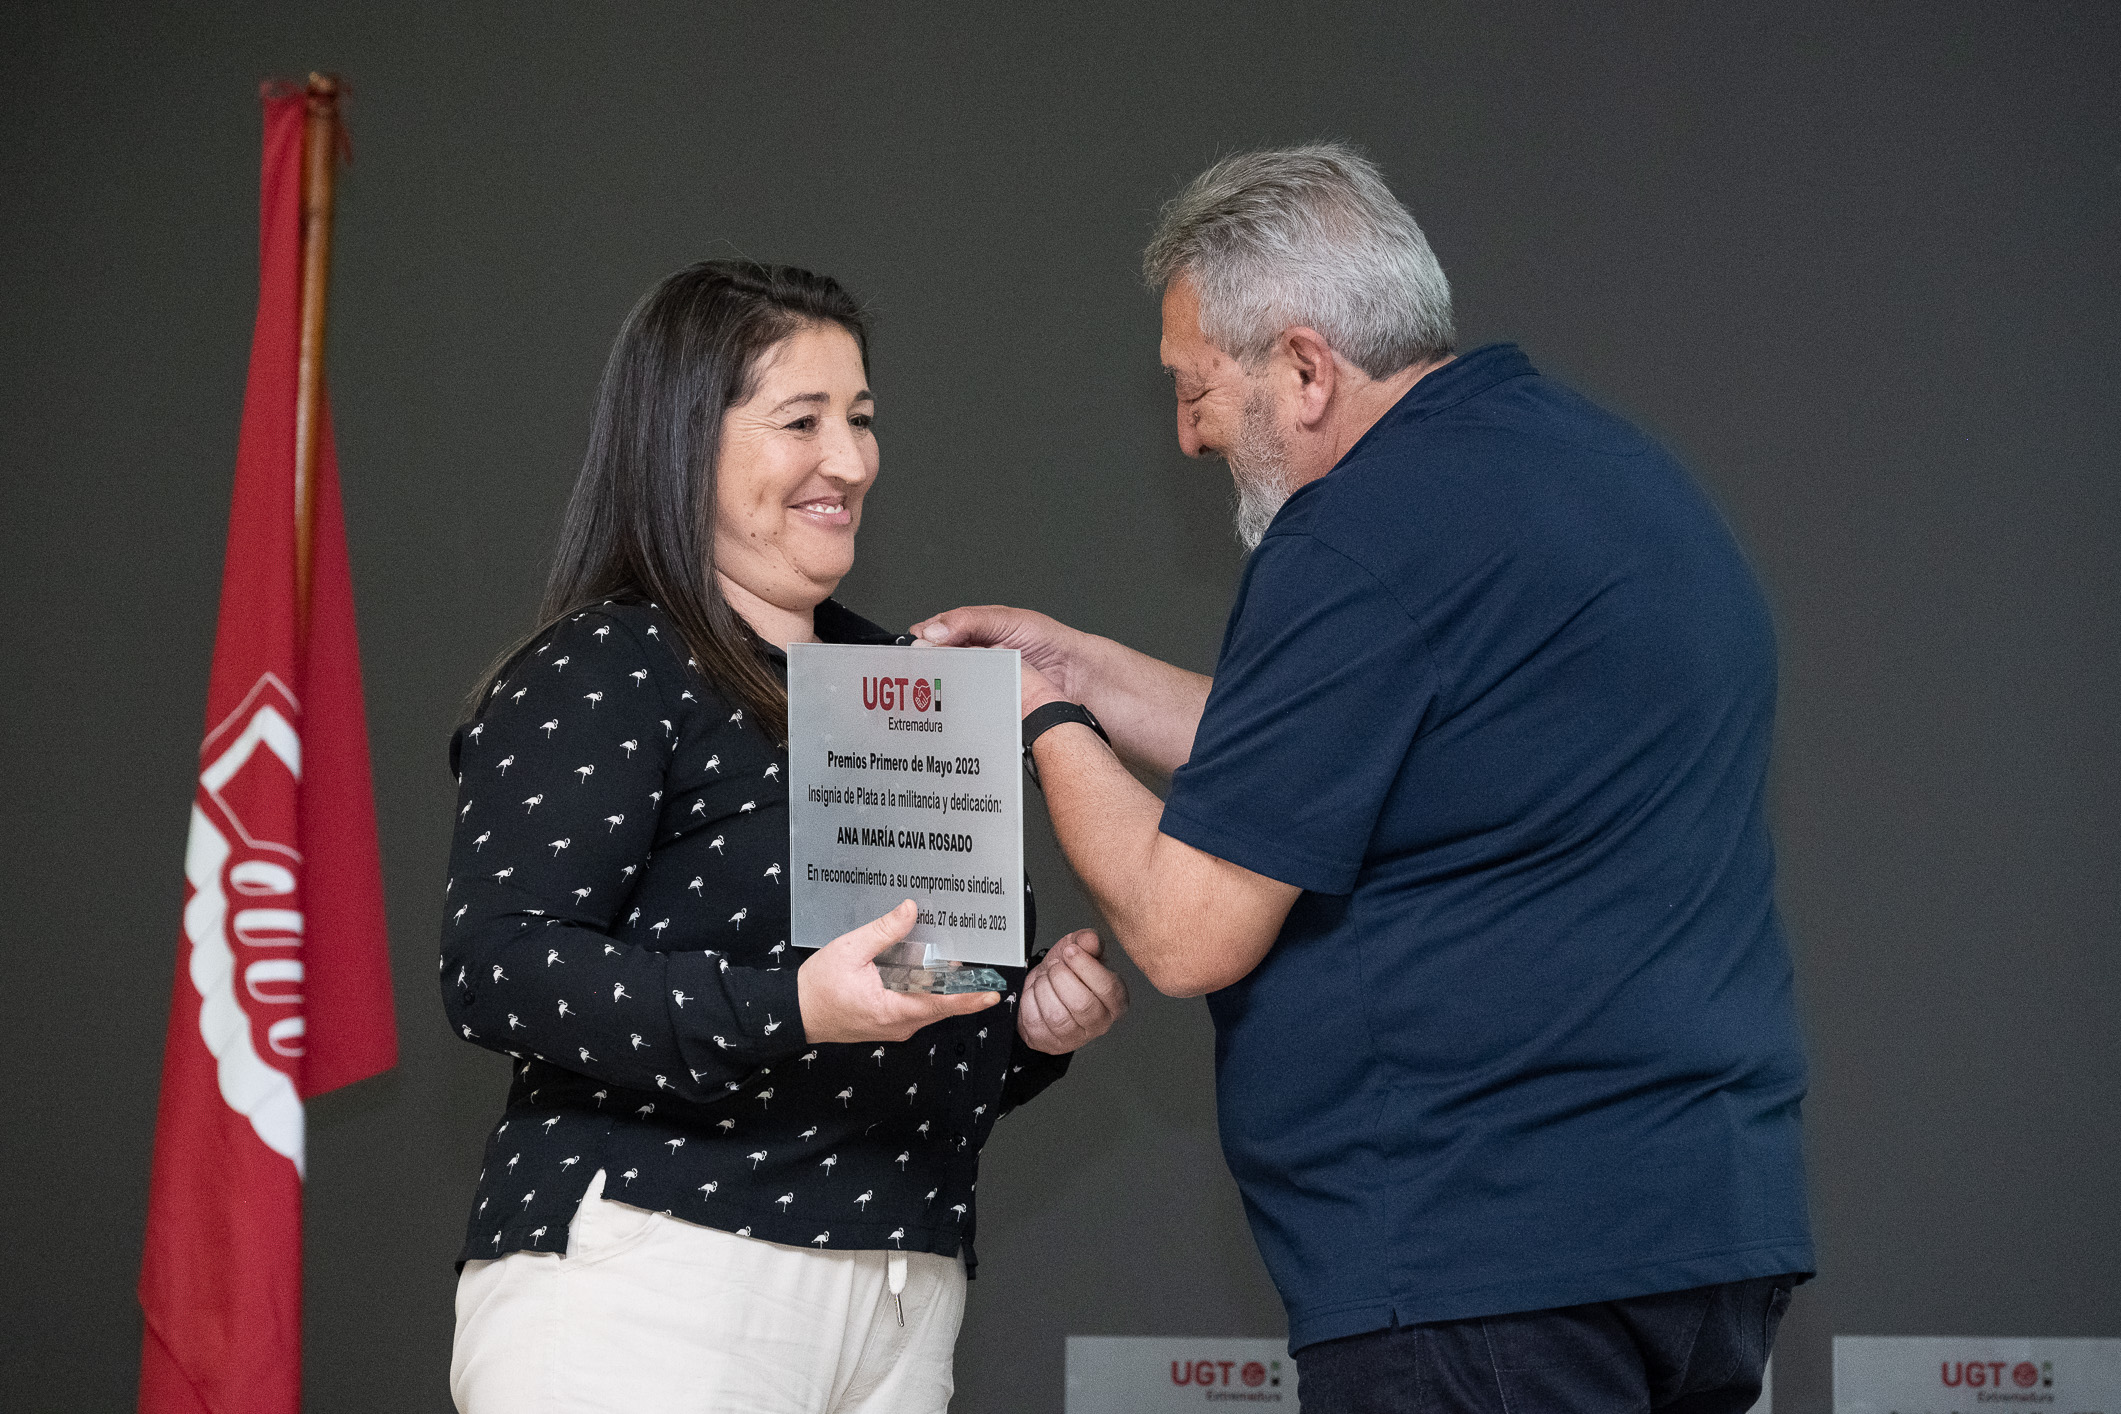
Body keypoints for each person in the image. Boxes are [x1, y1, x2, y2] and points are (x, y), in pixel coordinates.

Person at [916, 145, 1813, 1413]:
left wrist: (1045, 720)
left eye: (1195, 388)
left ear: (1303, 365)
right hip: (1701, 1237)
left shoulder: (1359, 532)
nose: (1185, 435)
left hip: (1481, 1263)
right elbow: (1354, 749)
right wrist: (1092, 669)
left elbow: (1185, 930)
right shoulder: (1616, 478)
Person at [440, 259, 1129, 1414]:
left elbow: (916, 997)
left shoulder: (901, 686)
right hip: (657, 1272)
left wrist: (1030, 1028)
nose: (851, 461)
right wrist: (793, 1006)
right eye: (801, 420)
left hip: (901, 1294)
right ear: (682, 442)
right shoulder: (608, 664)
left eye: (861, 419)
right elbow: (498, 967)